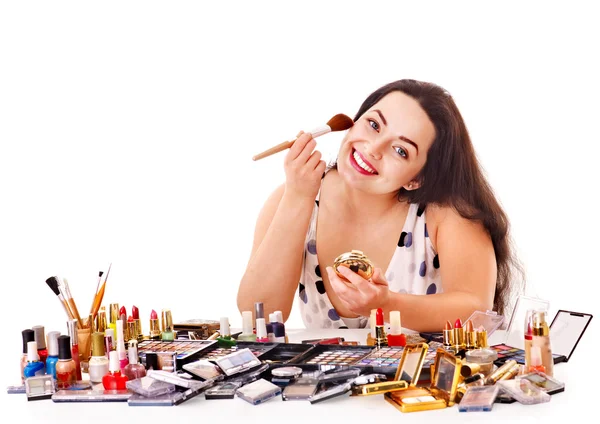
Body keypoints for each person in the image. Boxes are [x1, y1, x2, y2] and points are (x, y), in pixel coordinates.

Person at [237, 79, 523, 332]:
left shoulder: (447, 215)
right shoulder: (292, 198)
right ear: (353, 122)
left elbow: (477, 312)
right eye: (373, 125)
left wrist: (387, 305)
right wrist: (298, 198)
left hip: (420, 386)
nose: (373, 149)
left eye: (400, 150)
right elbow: (256, 313)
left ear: (417, 178)